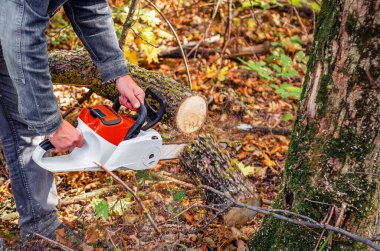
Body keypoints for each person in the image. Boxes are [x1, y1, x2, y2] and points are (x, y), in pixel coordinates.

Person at [0, 0, 144, 239]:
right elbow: (22, 37)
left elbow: (90, 7)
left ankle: (41, 228)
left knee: (26, 126)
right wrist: (50, 122)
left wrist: (118, 72)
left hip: (7, 36)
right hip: (13, 35)